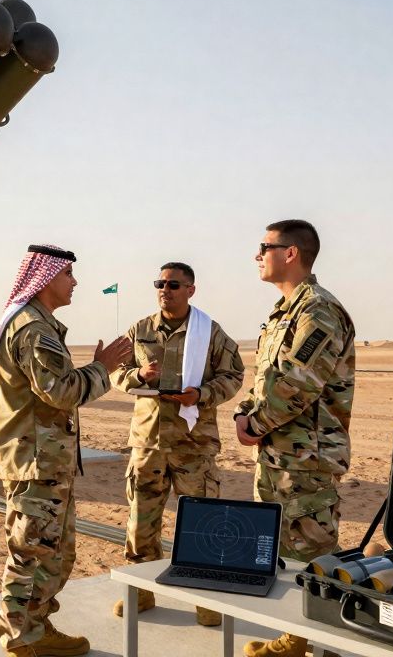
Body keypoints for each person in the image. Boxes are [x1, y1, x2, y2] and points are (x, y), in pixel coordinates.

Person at [0, 244, 133, 657]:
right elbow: (61, 392)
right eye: (68, 274)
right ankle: (19, 637)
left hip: (44, 462)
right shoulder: (33, 330)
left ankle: (36, 625)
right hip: (36, 463)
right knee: (30, 552)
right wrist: (103, 367)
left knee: (54, 553)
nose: (75, 282)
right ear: (47, 278)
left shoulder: (38, 325)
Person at [233, 220, 355, 657]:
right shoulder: (285, 311)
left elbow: (299, 383)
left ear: (291, 254)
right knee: (281, 550)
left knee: (311, 553)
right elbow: (266, 379)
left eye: (264, 247)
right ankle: (295, 638)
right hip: (279, 456)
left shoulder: (317, 311)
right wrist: (243, 414)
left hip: (307, 458)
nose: (256, 255)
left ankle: (314, 641)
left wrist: (256, 423)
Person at [108, 262, 245, 626]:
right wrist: (138, 375)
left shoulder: (210, 332)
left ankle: (205, 599)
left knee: (201, 524)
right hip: (148, 441)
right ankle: (141, 593)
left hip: (194, 444)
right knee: (141, 522)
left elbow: (234, 376)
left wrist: (201, 394)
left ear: (190, 290)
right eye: (160, 283)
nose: (164, 290)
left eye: (173, 284)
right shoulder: (139, 330)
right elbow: (115, 371)